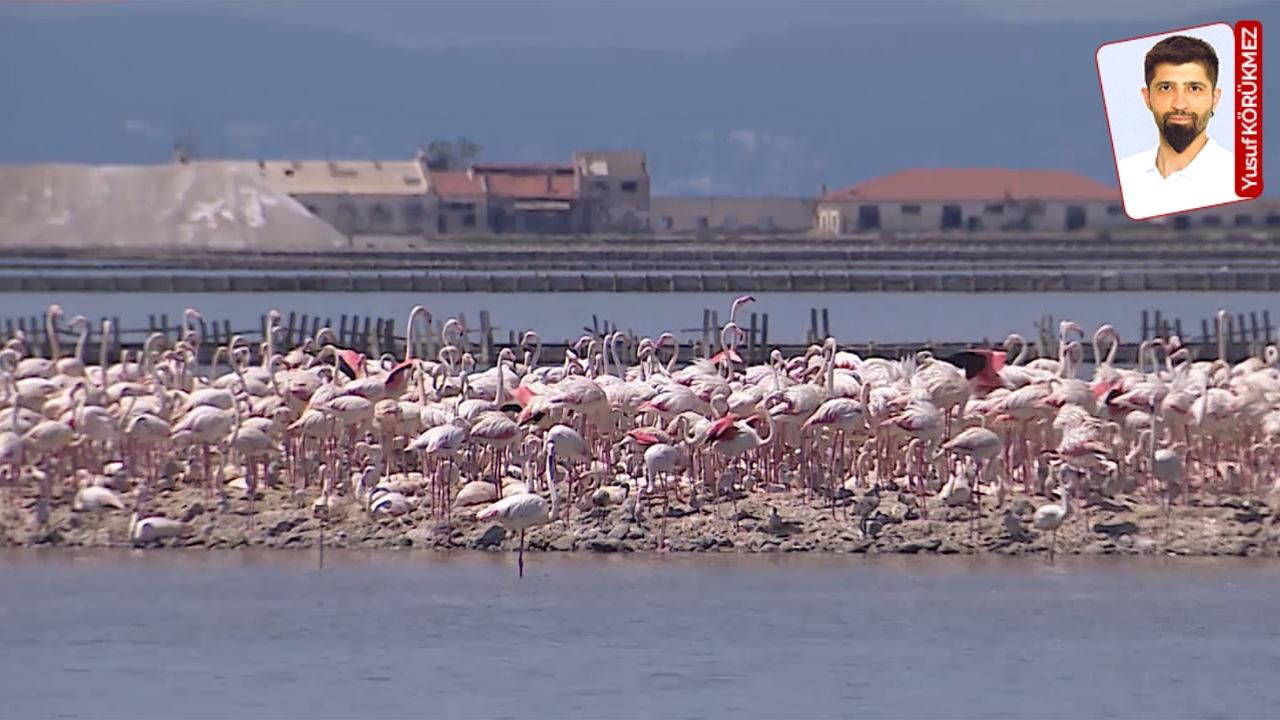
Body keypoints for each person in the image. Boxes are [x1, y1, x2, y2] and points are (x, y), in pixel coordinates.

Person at [1116, 34, 1238, 219]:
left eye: (1194, 88)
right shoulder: (1125, 174)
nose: (1180, 105)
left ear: (1214, 99)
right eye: (1166, 88)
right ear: (1147, 98)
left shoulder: (1236, 176)